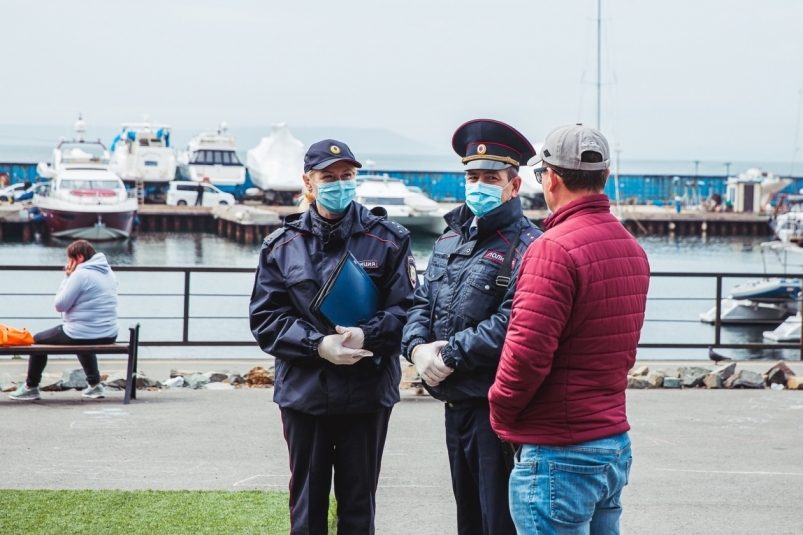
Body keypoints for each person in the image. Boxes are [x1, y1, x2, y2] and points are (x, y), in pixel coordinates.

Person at [488, 124, 651, 535]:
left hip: (558, 448)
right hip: (611, 441)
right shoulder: (631, 247)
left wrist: (500, 410)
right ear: (605, 177)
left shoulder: (552, 249)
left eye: (541, 175)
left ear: (552, 177)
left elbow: (526, 352)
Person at [249, 139, 416, 534]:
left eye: (347, 176)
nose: (339, 184)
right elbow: (266, 318)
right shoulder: (281, 246)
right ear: (309, 182)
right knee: (306, 502)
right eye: (329, 177)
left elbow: (408, 309)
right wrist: (317, 344)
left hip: (367, 391)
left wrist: (367, 334)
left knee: (359, 502)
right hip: (305, 393)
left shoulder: (389, 239)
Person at [401, 119, 542, 535]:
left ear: (514, 186)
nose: (479, 184)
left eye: (491, 178)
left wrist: (448, 353)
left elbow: (514, 320)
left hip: (495, 408)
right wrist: (415, 349)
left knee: (498, 520)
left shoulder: (529, 245)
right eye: (473, 176)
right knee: (468, 520)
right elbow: (420, 302)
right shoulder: (448, 241)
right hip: (454, 403)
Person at [9, 240, 119, 401]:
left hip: (82, 331)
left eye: (69, 259)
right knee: (82, 339)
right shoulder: (108, 272)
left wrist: (67, 277)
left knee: (38, 340)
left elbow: (60, 305)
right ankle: (95, 385)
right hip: (109, 333)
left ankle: (30, 387)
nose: (67, 263)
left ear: (79, 257)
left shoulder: (80, 274)